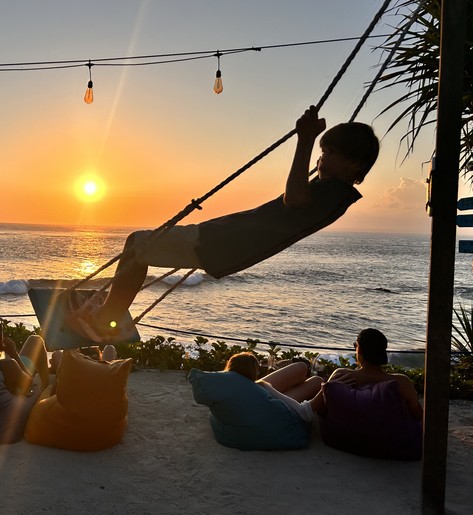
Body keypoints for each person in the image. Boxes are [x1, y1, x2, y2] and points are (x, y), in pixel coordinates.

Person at [68, 106, 380, 342]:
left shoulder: (333, 193)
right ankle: (109, 313)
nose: (320, 160)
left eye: (329, 153)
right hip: (222, 240)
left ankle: (106, 319)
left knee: (138, 244)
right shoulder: (333, 195)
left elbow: (294, 199)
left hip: (220, 243)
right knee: (140, 246)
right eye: (322, 152)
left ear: (353, 163)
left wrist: (306, 140)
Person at [313, 328, 422, 419]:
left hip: (342, 438)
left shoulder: (342, 375)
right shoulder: (402, 382)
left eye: (355, 345)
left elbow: (320, 409)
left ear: (359, 350)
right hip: (388, 440)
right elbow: (418, 415)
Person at [226, 352, 323, 422]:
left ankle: (293, 381)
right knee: (317, 381)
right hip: (269, 406)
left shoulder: (220, 388)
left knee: (301, 366)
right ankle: (294, 383)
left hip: (252, 391)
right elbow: (303, 412)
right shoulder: (261, 387)